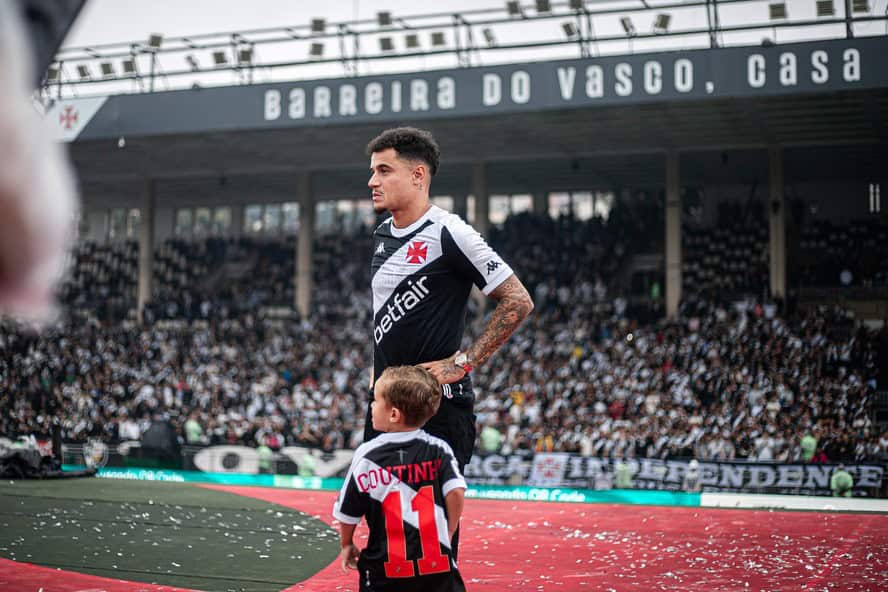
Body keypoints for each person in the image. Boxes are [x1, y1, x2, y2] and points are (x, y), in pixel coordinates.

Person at [363, 126, 533, 472]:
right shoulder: (381, 233)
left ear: (418, 175)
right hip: (384, 405)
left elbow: (518, 300)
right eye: (372, 171)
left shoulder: (450, 232)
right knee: (382, 523)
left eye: (383, 170)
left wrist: (464, 363)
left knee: (431, 522)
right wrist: (375, 371)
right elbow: (386, 317)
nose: (372, 182)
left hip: (437, 408)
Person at [334, 366, 467, 592]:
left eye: (375, 401)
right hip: (437, 569)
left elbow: (347, 513)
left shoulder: (368, 456)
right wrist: (450, 530)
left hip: (384, 571)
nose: (372, 406)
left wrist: (347, 543)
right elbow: (455, 492)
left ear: (393, 414)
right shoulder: (439, 449)